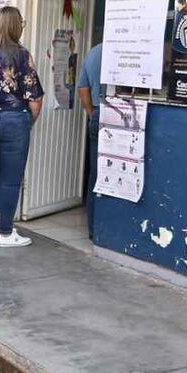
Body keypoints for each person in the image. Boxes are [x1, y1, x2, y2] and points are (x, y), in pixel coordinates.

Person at [0, 7, 44, 248]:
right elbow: (35, 98)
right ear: (14, 26)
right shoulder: (21, 55)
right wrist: (27, 121)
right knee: (11, 180)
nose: (22, 25)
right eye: (21, 22)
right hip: (13, 118)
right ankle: (5, 233)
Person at [76, 40, 105, 241]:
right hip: (122, 113)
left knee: (96, 174)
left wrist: (91, 112)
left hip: (98, 111)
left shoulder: (94, 52)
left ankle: (93, 227)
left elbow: (83, 89)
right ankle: (106, 230)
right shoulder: (131, 50)